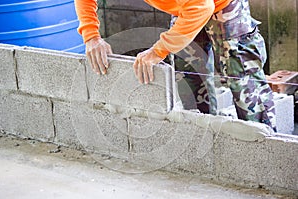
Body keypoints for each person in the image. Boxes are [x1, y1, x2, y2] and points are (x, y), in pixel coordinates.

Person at [74, 0, 277, 131]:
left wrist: (157, 51)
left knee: (242, 78)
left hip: (220, 4)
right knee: (189, 77)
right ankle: (205, 136)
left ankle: (266, 147)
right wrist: (91, 35)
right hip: (186, 6)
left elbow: (201, 7)